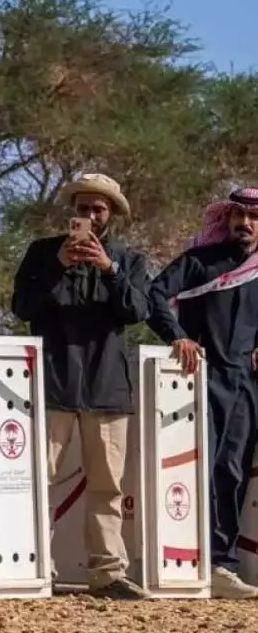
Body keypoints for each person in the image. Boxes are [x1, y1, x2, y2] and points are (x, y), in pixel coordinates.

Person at [10, 173, 151, 600]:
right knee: (39, 479)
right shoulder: (42, 253)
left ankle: (107, 572)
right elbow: (22, 307)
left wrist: (109, 269)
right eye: (83, 208)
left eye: (98, 209)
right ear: (72, 212)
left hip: (106, 386)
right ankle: (35, 565)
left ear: (111, 215)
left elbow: (137, 310)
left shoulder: (128, 260)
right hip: (52, 382)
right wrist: (58, 265)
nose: (90, 215)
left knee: (107, 486)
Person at [147, 185, 258, 599]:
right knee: (194, 471)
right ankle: (183, 560)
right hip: (197, 379)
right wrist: (177, 336)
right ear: (226, 218)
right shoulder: (199, 261)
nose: (245, 223)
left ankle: (222, 565)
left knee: (231, 471)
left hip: (245, 385)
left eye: (254, 217)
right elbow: (154, 295)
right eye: (238, 215)